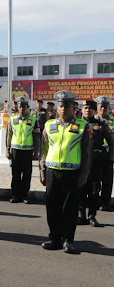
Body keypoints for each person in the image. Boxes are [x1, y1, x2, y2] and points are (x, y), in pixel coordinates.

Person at [39, 91, 92, 254]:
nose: (63, 109)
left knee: (69, 209)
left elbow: (87, 153)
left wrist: (84, 175)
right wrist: (42, 171)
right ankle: (54, 239)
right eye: (61, 106)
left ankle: (68, 240)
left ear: (73, 107)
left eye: (67, 106)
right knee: (52, 207)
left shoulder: (83, 127)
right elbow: (44, 150)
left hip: (72, 173)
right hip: (52, 172)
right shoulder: (49, 125)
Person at [78, 99, 112, 227]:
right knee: (80, 189)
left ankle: (92, 216)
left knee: (94, 190)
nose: (87, 110)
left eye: (90, 108)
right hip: (80, 162)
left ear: (94, 110)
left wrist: (109, 157)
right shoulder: (77, 124)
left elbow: (111, 141)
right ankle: (81, 215)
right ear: (82, 110)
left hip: (96, 162)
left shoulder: (101, 124)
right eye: (85, 108)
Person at [6, 96, 39, 203]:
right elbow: (8, 135)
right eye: (20, 106)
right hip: (15, 150)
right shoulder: (12, 119)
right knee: (15, 174)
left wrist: (36, 151)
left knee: (27, 174)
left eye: (24, 107)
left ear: (27, 107)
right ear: (17, 107)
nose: (22, 108)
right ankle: (15, 195)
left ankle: (24, 195)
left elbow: (36, 137)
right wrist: (7, 149)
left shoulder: (33, 120)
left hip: (28, 150)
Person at [95, 96, 114, 210]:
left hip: (108, 153)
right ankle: (95, 201)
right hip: (96, 154)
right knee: (95, 180)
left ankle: (105, 202)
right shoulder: (93, 120)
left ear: (109, 108)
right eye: (101, 106)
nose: (103, 109)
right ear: (97, 107)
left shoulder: (112, 120)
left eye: (105, 107)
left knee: (107, 180)